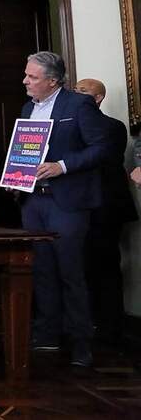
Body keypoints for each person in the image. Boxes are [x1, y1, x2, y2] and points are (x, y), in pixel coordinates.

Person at [19, 51, 108, 367]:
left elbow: (102, 147)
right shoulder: (28, 108)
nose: (25, 81)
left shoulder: (78, 105)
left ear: (53, 80)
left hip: (68, 201)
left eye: (32, 77)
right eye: (26, 75)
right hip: (34, 200)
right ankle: (47, 335)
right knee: (41, 270)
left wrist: (63, 166)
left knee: (71, 271)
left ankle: (81, 341)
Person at [73, 78, 137, 344]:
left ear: (98, 98)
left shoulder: (112, 126)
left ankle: (110, 324)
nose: (77, 94)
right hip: (80, 205)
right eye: (75, 90)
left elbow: (103, 159)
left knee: (106, 264)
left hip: (106, 205)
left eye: (83, 91)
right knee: (81, 264)